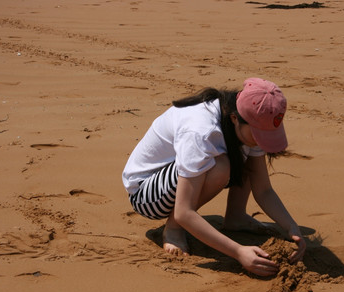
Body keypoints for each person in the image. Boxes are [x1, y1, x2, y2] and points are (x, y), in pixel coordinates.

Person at [122, 78, 306, 276]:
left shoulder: (246, 121)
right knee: (220, 166)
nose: (260, 141)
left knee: (241, 152)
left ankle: (236, 217)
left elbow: (264, 189)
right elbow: (185, 211)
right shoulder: (201, 131)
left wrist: (291, 227)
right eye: (258, 134)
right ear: (235, 118)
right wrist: (238, 252)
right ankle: (173, 228)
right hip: (146, 193)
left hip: (177, 178)